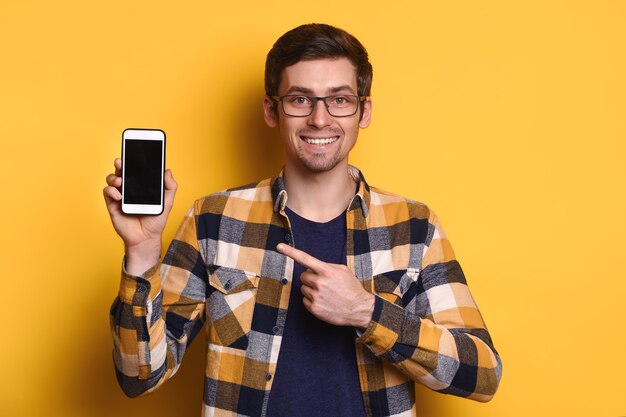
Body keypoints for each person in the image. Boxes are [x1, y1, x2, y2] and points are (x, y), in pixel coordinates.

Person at [104, 23, 502, 417]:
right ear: (271, 110)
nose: (319, 119)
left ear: (363, 111)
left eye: (339, 100)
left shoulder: (413, 227)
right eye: (300, 99)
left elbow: (482, 374)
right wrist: (140, 253)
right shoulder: (212, 220)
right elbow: (140, 376)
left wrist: (367, 312)